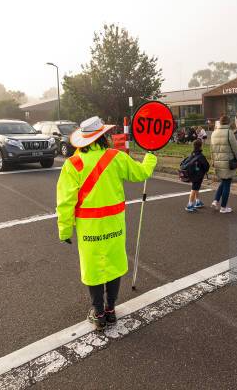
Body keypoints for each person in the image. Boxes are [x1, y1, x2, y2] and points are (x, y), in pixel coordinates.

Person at [56, 116, 157, 330]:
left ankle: (99, 313)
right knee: (113, 264)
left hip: (89, 227)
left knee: (93, 267)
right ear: (103, 136)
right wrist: (150, 156)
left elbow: (65, 202)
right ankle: (111, 310)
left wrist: (65, 230)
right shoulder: (116, 157)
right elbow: (141, 173)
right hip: (114, 224)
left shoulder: (73, 164)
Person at [210, 114, 237, 213]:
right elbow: (235, 149)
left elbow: (211, 150)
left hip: (218, 162)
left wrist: (213, 161)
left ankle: (215, 200)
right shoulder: (229, 132)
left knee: (223, 181)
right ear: (228, 122)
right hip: (228, 162)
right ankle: (223, 207)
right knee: (227, 183)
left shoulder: (214, 133)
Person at [183, 139, 210, 212]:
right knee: (194, 189)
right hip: (198, 175)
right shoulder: (200, 156)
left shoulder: (192, 154)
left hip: (192, 174)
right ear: (201, 146)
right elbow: (206, 166)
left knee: (196, 188)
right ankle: (190, 205)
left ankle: (197, 201)